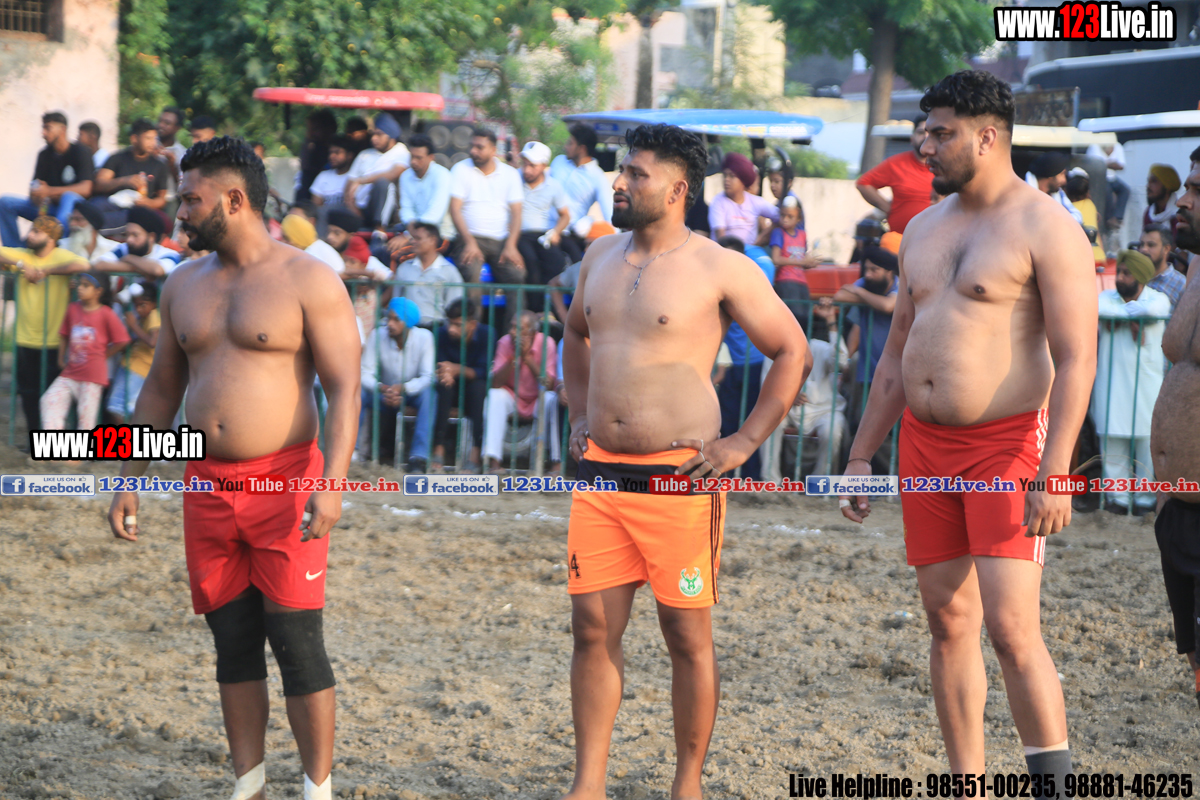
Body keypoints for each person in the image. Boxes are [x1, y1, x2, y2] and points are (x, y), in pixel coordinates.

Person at [840, 70, 1097, 786]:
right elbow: (896, 351)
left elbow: (1078, 359)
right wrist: (861, 455)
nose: (924, 148)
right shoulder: (922, 227)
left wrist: (1056, 471)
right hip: (924, 447)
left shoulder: (1048, 227)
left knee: (1012, 631)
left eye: (940, 133)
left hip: (1005, 444)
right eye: (925, 132)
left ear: (987, 138)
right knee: (948, 622)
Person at [105, 136, 361, 800]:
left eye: (191, 200)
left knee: (296, 638)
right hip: (206, 484)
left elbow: (345, 391)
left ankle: (318, 790)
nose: (180, 212)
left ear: (234, 200)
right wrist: (128, 479)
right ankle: (248, 786)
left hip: (287, 482)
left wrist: (332, 484)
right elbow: (160, 390)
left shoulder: (308, 279)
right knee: (233, 638)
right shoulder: (182, 284)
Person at [560, 123, 809, 800]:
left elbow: (792, 350)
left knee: (685, 635)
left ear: (676, 189)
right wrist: (578, 415)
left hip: (681, 483)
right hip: (601, 478)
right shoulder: (599, 255)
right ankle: (588, 785)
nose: (619, 182)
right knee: (591, 630)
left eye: (635, 174)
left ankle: (687, 784)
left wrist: (744, 442)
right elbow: (574, 335)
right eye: (621, 171)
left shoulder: (719, 266)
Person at [1150, 159, 1200, 709]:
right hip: (1178, 507)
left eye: (1197, 190)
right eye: (1185, 186)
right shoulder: (1196, 264)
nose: (1182, 200)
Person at [1093, 249, 1170, 515]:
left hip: (1146, 386)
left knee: (1146, 442)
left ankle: (1145, 499)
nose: (1120, 278)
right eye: (1120, 272)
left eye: (1126, 273)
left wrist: (1125, 316)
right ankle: (1118, 498)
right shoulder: (1107, 297)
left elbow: (1156, 310)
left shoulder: (1158, 299)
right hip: (1111, 385)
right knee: (1112, 441)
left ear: (1140, 277)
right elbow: (1100, 309)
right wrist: (1134, 315)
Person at [0, 215, 87, 431]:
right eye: (31, 230)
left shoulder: (61, 256)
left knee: (51, 395)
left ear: (51, 238)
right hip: (24, 338)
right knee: (28, 394)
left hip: (52, 341)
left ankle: (52, 440)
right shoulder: (23, 255)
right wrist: (21, 265)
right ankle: (34, 441)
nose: (29, 235)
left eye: (36, 232)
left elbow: (84, 264)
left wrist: (47, 271)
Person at [759, 298, 847, 483]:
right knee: (767, 423)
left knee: (833, 429)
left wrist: (831, 323)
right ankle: (770, 482)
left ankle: (819, 483)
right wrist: (787, 396)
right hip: (786, 409)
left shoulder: (819, 347)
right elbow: (767, 389)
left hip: (823, 411)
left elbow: (842, 362)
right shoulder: (773, 352)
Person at [449, 127, 525, 329]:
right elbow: (454, 209)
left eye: (479, 147)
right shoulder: (460, 169)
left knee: (517, 275)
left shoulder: (510, 174)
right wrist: (469, 243)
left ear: (493, 150)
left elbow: (517, 213)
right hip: (469, 238)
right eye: (472, 146)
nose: (473, 151)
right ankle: (473, 334)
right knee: (471, 274)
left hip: (500, 241)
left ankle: (513, 336)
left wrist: (511, 245)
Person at [833, 246, 899, 473]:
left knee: (893, 431)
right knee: (865, 429)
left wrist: (860, 293)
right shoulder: (867, 284)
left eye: (874, 270)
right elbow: (839, 295)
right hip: (867, 372)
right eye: (866, 270)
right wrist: (864, 293)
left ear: (889, 272)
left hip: (897, 375)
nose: (868, 275)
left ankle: (901, 476)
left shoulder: (900, 286)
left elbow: (889, 306)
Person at [40, 272, 129, 430]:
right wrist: (61, 358)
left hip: (92, 377)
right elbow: (64, 334)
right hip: (71, 373)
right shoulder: (73, 308)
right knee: (49, 399)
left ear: (98, 291)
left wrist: (104, 355)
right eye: (80, 284)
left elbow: (122, 340)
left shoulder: (106, 313)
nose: (80, 288)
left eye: (85, 285)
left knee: (86, 420)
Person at [361, 297, 435, 471]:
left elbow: (428, 377)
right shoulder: (377, 335)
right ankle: (354, 452)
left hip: (411, 394)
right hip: (383, 393)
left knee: (430, 395)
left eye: (396, 320)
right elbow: (365, 373)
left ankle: (418, 457)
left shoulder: (424, 337)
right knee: (358, 393)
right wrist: (382, 388)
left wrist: (404, 388)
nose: (390, 324)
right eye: (388, 318)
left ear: (408, 323)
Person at [0, 112, 94, 247]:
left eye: (48, 128)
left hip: (74, 212)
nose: (43, 133)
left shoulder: (80, 151)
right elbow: (37, 187)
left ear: (62, 129)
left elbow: (86, 189)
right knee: (5, 202)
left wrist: (49, 191)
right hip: (49, 208)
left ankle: (57, 245)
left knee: (68, 197)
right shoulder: (44, 155)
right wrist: (36, 195)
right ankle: (15, 250)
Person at [483, 310, 560, 474]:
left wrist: (527, 358)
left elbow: (548, 384)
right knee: (494, 396)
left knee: (551, 398)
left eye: (518, 329)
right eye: (511, 327)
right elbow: (495, 383)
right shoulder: (505, 341)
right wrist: (513, 357)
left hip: (537, 398)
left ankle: (552, 464)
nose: (512, 332)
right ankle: (494, 462)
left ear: (532, 333)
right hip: (513, 396)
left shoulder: (547, 343)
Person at [433, 298, 490, 473]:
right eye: (449, 323)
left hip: (474, 387)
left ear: (472, 325)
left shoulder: (487, 334)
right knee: (444, 386)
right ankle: (438, 450)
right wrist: (447, 372)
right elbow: (440, 366)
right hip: (450, 386)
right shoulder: (441, 334)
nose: (451, 329)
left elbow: (483, 371)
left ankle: (475, 454)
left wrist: (457, 369)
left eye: (457, 325)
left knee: (479, 388)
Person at [855, 113, 935, 234]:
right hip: (899, 238)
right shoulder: (896, 163)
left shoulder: (945, 166)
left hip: (935, 237)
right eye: (920, 132)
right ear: (912, 138)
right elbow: (863, 184)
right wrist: (888, 208)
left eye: (930, 133)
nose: (925, 136)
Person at [517, 140, 571, 307]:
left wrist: (555, 232)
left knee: (557, 262)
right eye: (525, 164)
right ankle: (534, 310)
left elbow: (565, 215)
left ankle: (546, 307)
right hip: (519, 233)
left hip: (542, 234)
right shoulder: (513, 179)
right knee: (531, 263)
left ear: (543, 165)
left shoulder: (553, 185)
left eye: (532, 165)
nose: (527, 170)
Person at [90, 118, 170, 228]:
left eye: (154, 138)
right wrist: (124, 181)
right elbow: (99, 184)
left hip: (138, 209)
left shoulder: (159, 165)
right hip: (112, 203)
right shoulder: (117, 158)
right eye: (148, 138)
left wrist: (148, 203)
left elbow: (162, 199)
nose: (153, 143)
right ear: (134, 139)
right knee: (94, 206)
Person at [552, 124, 614, 263]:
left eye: (570, 143)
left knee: (574, 263)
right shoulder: (558, 162)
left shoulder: (597, 176)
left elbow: (610, 215)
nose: (565, 147)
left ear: (582, 148)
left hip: (569, 235)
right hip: (541, 227)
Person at [343, 113, 410, 229]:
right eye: (373, 134)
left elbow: (393, 174)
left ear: (391, 136)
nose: (374, 138)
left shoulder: (401, 152)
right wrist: (351, 206)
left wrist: (361, 181)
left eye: (379, 134)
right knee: (327, 210)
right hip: (359, 208)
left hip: (387, 210)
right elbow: (349, 183)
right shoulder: (364, 154)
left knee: (382, 183)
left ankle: (379, 229)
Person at [107, 281, 160, 422]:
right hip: (131, 365)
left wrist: (133, 325)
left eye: (143, 305)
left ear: (154, 303)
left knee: (117, 407)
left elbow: (152, 342)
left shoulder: (153, 315)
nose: (139, 309)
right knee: (121, 408)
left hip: (138, 369)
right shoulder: (143, 317)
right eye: (136, 305)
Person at [393, 222, 464, 326]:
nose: (413, 241)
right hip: (407, 328)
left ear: (432, 240)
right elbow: (396, 303)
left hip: (437, 328)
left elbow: (454, 308)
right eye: (413, 238)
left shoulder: (450, 272)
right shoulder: (403, 268)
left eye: (418, 238)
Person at [708, 152, 778, 245]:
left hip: (751, 250)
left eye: (732, 176)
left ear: (743, 181)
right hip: (725, 249)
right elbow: (721, 238)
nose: (726, 180)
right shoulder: (718, 202)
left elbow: (781, 217)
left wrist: (762, 237)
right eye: (725, 175)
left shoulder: (755, 201)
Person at [93, 205, 183, 278]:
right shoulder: (124, 249)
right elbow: (99, 265)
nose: (129, 240)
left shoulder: (170, 254)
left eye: (135, 235)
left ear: (151, 237)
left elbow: (157, 270)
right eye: (127, 234)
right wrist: (142, 269)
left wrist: (129, 258)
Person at [770, 195, 817, 322]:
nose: (785, 219)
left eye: (790, 216)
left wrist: (809, 262)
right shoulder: (778, 233)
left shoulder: (802, 235)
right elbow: (776, 259)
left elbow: (802, 256)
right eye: (783, 215)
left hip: (801, 281)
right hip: (786, 280)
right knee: (793, 316)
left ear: (798, 218)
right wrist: (802, 261)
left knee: (805, 317)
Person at [399, 133, 452, 230]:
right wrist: (411, 228)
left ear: (431, 158)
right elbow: (406, 208)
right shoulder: (405, 176)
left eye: (418, 158)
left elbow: (435, 215)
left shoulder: (442, 175)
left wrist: (412, 233)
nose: (413, 161)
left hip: (439, 232)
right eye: (412, 156)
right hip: (413, 230)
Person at [1025, 151, 1083, 224]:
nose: (1064, 180)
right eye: (1062, 174)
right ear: (1051, 174)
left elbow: (1077, 216)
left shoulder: (1058, 193)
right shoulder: (1024, 195)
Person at [1086, 140, 1130, 231]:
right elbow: (1094, 166)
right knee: (1107, 191)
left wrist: (1105, 163)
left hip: (1112, 178)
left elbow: (1121, 166)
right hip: (1098, 178)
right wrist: (1112, 163)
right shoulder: (1094, 146)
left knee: (1125, 190)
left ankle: (1117, 217)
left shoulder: (1118, 146)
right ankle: (1109, 219)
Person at [1063, 169, 1106, 263]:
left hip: (1082, 259)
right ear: (1087, 193)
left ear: (1065, 191)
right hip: (1099, 257)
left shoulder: (1066, 210)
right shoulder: (1091, 205)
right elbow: (1097, 234)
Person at [1140, 223, 1186, 310]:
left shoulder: (1181, 284)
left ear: (1166, 249)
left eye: (1151, 245)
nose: (1143, 249)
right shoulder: (1133, 277)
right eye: (1142, 244)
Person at [295, 110, 337, 203]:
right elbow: (305, 167)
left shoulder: (331, 150)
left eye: (315, 129)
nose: (311, 133)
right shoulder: (311, 147)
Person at [308, 136, 354, 209]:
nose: (331, 156)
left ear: (349, 155)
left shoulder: (356, 178)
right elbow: (316, 207)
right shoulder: (323, 176)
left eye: (337, 152)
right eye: (330, 152)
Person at [1144, 164, 1181, 234]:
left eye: (1153, 181)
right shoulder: (1149, 213)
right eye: (1148, 181)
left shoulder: (1179, 214)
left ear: (1167, 186)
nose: (1148, 186)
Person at [157, 106, 188, 186]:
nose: (161, 125)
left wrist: (172, 164)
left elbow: (182, 185)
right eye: (160, 121)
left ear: (177, 128)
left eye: (167, 123)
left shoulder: (182, 154)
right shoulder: (148, 145)